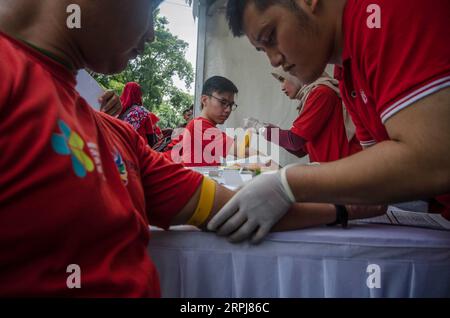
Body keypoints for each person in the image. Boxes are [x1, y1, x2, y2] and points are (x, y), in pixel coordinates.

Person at [0, 0, 385, 296]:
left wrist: (342, 208)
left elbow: (228, 208)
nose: (151, 34)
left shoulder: (118, 137)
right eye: (151, 7)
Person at [207, 0, 450, 243]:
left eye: (271, 36)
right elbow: (376, 178)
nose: (273, 60)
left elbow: (435, 158)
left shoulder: (385, 12)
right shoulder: (346, 75)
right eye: (262, 50)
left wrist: (289, 184)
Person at [247, 70, 361, 162]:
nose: (282, 87)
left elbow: (294, 141)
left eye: (282, 79)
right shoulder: (310, 96)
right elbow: (300, 151)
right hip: (333, 171)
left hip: (342, 171)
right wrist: (270, 131)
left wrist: (261, 128)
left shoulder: (321, 93)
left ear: (296, 74)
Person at [165, 76, 239, 166]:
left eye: (231, 105)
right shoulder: (199, 126)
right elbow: (241, 150)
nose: (228, 110)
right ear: (204, 100)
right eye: (223, 102)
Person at [119, 82, 162, 147]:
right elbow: (150, 136)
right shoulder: (143, 112)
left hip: (119, 148)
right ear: (138, 94)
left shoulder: (116, 109)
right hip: (139, 150)